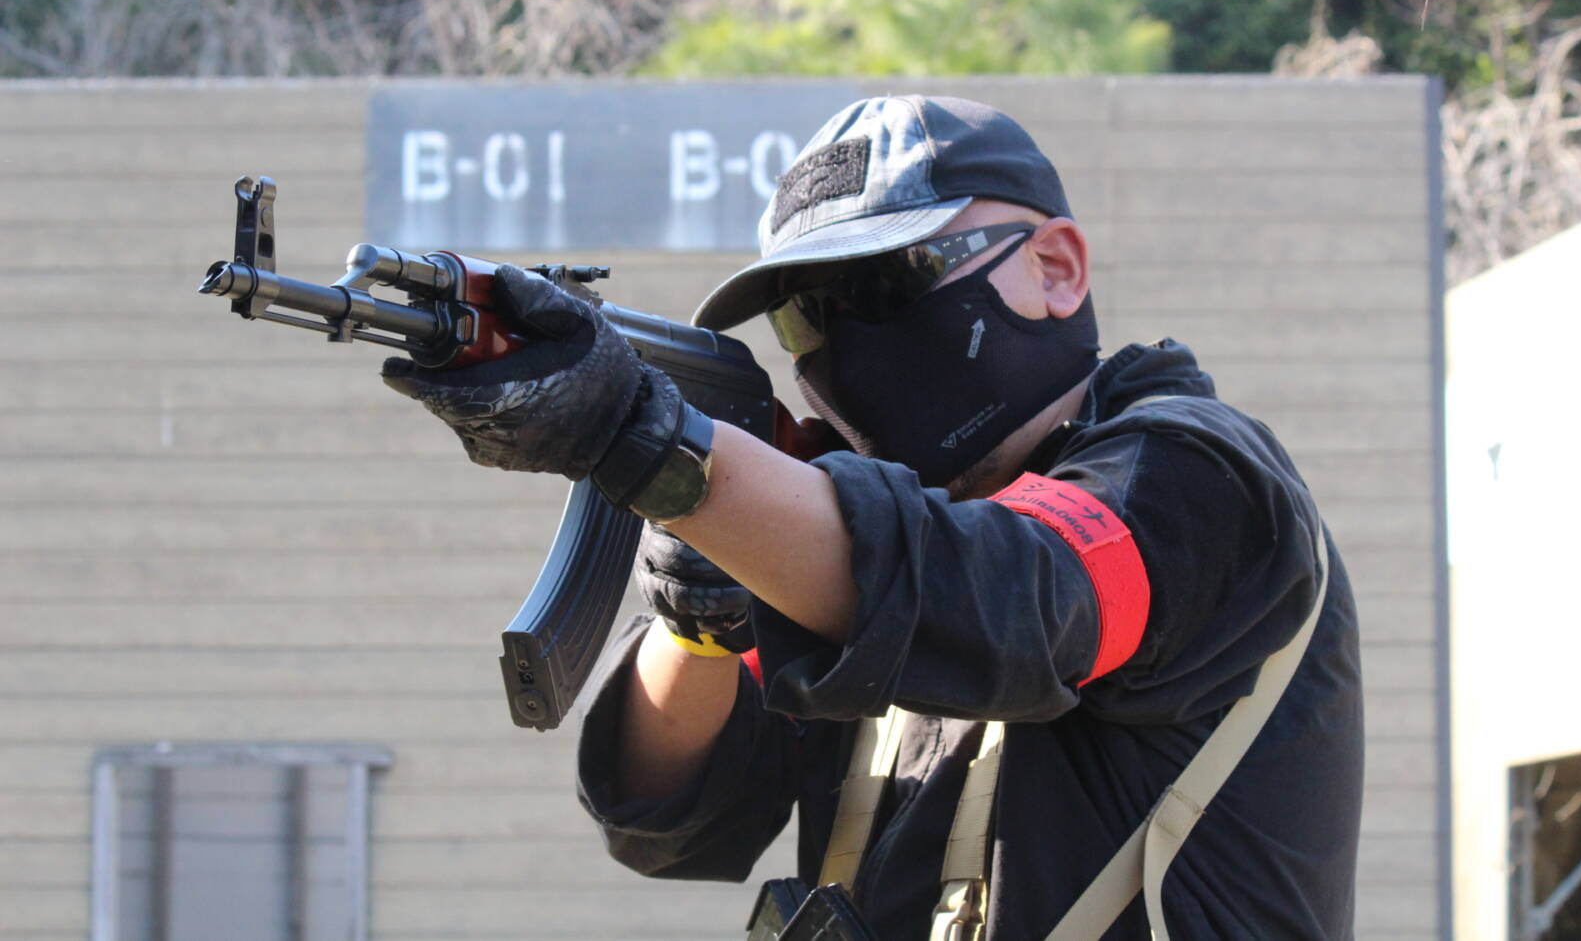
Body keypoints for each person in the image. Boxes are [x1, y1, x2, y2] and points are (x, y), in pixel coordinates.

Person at [381, 95, 1364, 939]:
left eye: (888, 283)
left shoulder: (1194, 477)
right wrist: (700, 608)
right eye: (807, 315)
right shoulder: (865, 545)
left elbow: (1018, 600)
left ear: (1057, 267)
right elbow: (662, 810)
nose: (846, 342)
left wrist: (651, 444)